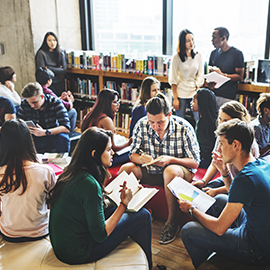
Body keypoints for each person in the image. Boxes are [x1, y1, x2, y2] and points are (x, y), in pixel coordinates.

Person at [48, 127, 164, 270]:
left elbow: (92, 206)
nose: (113, 153)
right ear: (94, 154)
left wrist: (124, 197)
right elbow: (100, 235)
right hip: (78, 251)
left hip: (63, 246)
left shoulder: (71, 172)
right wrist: (124, 203)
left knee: (118, 208)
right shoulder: (89, 184)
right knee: (144, 215)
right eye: (109, 149)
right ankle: (149, 267)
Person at [179, 119, 270, 269]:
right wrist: (224, 172)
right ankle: (217, 251)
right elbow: (235, 191)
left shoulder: (245, 179)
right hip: (256, 227)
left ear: (235, 145)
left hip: (257, 248)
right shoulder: (260, 164)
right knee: (220, 199)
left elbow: (220, 228)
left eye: (221, 143)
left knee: (188, 231)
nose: (219, 149)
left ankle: (207, 264)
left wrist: (191, 209)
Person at [119, 93, 200, 245]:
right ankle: (126, 213)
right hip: (152, 171)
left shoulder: (184, 127)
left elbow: (195, 162)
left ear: (169, 115)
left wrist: (170, 160)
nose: (156, 127)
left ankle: (171, 223)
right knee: (126, 168)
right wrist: (141, 159)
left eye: (160, 122)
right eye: (152, 122)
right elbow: (132, 155)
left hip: (179, 172)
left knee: (169, 170)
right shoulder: (141, 124)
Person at [0, 119, 56, 242]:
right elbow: (53, 203)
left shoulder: (1, 173)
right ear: (28, 141)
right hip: (40, 231)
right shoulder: (46, 171)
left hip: (9, 232)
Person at [193, 100, 259, 197]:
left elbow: (242, 185)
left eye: (226, 121)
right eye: (220, 119)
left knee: (215, 197)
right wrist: (204, 181)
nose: (221, 124)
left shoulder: (248, 144)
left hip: (241, 184)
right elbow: (215, 162)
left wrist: (216, 191)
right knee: (204, 189)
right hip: (230, 177)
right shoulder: (224, 136)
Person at [81, 89, 132, 166]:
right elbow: (113, 148)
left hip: (86, 155)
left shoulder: (89, 115)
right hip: (99, 159)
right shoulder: (106, 120)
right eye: (115, 102)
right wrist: (128, 143)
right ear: (107, 104)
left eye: (118, 101)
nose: (118, 104)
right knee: (132, 153)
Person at [17, 82, 70, 153]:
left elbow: (66, 128)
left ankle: (61, 161)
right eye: (29, 103)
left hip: (52, 134)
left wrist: (45, 132)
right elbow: (18, 123)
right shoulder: (24, 104)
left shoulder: (55, 102)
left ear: (42, 96)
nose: (32, 106)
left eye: (34, 102)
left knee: (63, 138)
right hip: (33, 137)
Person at [169, 29, 204, 121]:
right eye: (188, 41)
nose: (191, 43)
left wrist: (197, 94)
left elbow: (200, 76)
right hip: (181, 93)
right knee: (179, 121)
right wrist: (175, 98)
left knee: (199, 120)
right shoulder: (176, 57)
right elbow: (173, 79)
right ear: (182, 42)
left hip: (194, 92)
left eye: (192, 39)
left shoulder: (198, 56)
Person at [207, 27, 245, 108]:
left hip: (227, 96)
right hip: (213, 94)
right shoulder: (213, 53)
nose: (212, 40)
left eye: (214, 38)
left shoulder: (237, 54)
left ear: (223, 38)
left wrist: (223, 75)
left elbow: (240, 76)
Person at [35, 67, 77, 133]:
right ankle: (70, 134)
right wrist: (70, 101)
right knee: (73, 111)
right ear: (48, 81)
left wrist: (60, 98)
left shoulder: (36, 89)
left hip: (40, 119)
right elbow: (67, 106)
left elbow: (50, 101)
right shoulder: (47, 91)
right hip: (51, 119)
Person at [191, 88, 218, 168]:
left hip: (206, 160)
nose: (191, 103)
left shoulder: (202, 123)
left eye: (193, 101)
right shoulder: (215, 118)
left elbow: (203, 149)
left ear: (202, 103)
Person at [35, 32, 66, 97]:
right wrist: (57, 68)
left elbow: (63, 70)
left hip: (58, 81)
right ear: (45, 42)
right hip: (47, 84)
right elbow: (42, 72)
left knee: (61, 100)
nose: (52, 43)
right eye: (49, 40)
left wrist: (49, 67)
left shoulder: (60, 52)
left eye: (54, 40)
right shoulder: (41, 53)